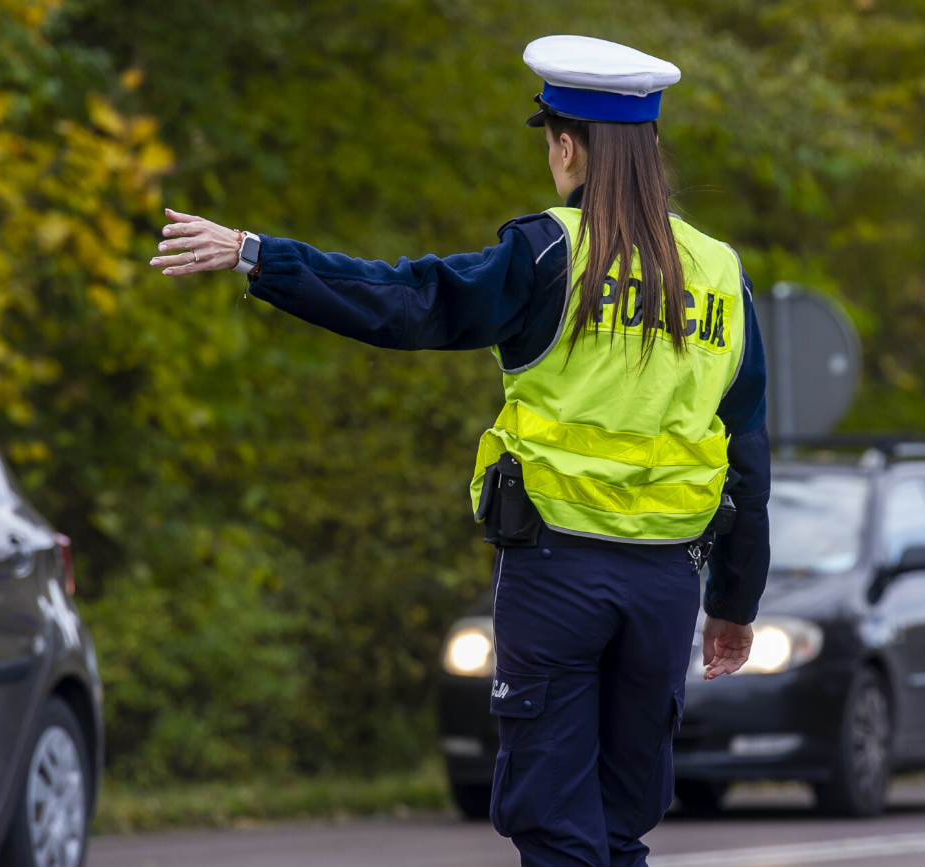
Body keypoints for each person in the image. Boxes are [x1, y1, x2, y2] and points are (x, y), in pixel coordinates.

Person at [150, 34, 770, 867]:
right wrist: (734, 602)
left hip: (558, 575)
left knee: (556, 826)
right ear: (652, 149)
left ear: (564, 144)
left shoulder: (548, 253)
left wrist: (260, 255)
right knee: (618, 828)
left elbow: (412, 302)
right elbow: (749, 453)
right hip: (664, 584)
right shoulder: (721, 274)